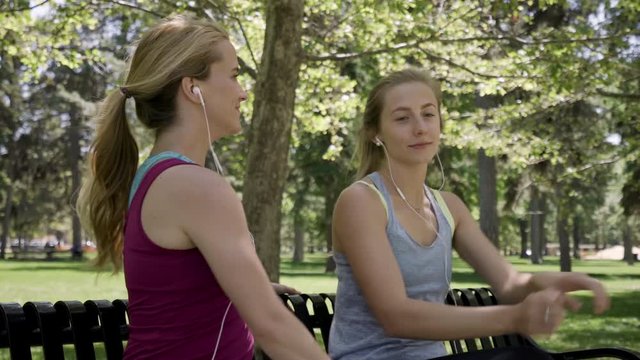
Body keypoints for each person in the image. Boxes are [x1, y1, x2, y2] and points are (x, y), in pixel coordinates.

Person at [77, 15, 329, 360]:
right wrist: (258, 303)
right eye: (234, 75)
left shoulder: (156, 176)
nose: (242, 92)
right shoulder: (194, 187)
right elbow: (272, 328)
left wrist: (243, 289)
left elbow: (173, 287)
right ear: (192, 87)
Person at [328, 68, 610, 360]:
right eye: (402, 118)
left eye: (428, 114)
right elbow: (396, 316)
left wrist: (542, 283)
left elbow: (510, 284)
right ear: (376, 133)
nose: (420, 128)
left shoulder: (449, 207)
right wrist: (513, 318)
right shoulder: (361, 201)